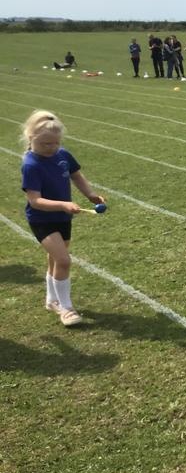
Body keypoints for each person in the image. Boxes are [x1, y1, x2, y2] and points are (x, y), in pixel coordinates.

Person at [20, 110, 106, 327]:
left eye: (55, 143)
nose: (51, 148)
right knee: (64, 260)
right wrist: (63, 204)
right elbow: (35, 201)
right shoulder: (31, 165)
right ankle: (66, 309)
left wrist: (90, 194)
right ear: (31, 138)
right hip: (41, 219)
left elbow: (76, 175)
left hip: (62, 218)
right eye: (45, 144)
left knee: (55, 259)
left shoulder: (62, 155)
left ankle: (51, 300)